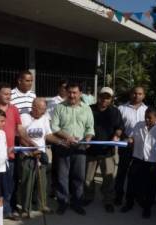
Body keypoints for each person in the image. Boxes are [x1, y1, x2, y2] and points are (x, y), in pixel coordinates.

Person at [0, 82, 35, 220]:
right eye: (5, 94)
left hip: (8, 156)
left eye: (10, 94)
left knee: (9, 186)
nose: (8, 96)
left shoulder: (14, 109)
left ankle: (7, 210)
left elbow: (20, 128)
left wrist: (29, 142)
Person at [51, 82, 95, 215]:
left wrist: (88, 138)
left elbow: (90, 128)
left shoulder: (86, 108)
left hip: (80, 147)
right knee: (62, 176)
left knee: (79, 177)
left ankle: (77, 202)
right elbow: (54, 127)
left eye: (75, 92)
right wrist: (67, 137)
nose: (72, 95)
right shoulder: (59, 107)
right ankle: (63, 202)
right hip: (63, 146)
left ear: (80, 93)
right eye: (69, 92)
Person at [19, 98, 64, 218]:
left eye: (44, 109)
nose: (43, 112)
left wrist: (60, 141)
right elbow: (21, 136)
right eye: (41, 109)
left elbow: (48, 135)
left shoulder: (44, 118)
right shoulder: (24, 117)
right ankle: (25, 209)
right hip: (27, 155)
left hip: (41, 155)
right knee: (27, 183)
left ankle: (42, 205)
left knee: (42, 182)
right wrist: (31, 149)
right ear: (33, 107)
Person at [83, 87, 124, 213]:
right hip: (91, 150)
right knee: (88, 178)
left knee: (108, 178)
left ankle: (108, 201)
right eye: (102, 97)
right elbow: (83, 125)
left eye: (107, 97)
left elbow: (119, 127)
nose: (104, 100)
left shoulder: (115, 111)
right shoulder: (89, 109)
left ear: (111, 99)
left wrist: (117, 135)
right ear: (98, 96)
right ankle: (88, 197)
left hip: (107, 151)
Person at [122, 107, 156, 218]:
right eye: (146, 117)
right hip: (137, 159)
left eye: (149, 118)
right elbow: (132, 137)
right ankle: (129, 203)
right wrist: (130, 140)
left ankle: (147, 208)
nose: (146, 120)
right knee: (132, 183)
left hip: (152, 162)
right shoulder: (138, 125)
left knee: (150, 187)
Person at [116, 86, 148, 205]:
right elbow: (118, 126)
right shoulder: (121, 108)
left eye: (140, 94)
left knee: (137, 173)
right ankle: (118, 195)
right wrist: (125, 137)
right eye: (134, 93)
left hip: (141, 147)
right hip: (125, 144)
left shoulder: (147, 110)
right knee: (122, 171)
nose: (137, 96)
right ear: (130, 94)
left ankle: (136, 196)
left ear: (144, 95)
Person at [46, 79, 67, 196]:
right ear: (59, 88)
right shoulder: (53, 102)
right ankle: (54, 188)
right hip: (57, 137)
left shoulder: (71, 101)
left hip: (70, 137)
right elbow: (49, 120)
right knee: (57, 165)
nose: (65, 90)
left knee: (67, 165)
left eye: (67, 88)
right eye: (63, 87)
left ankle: (65, 188)